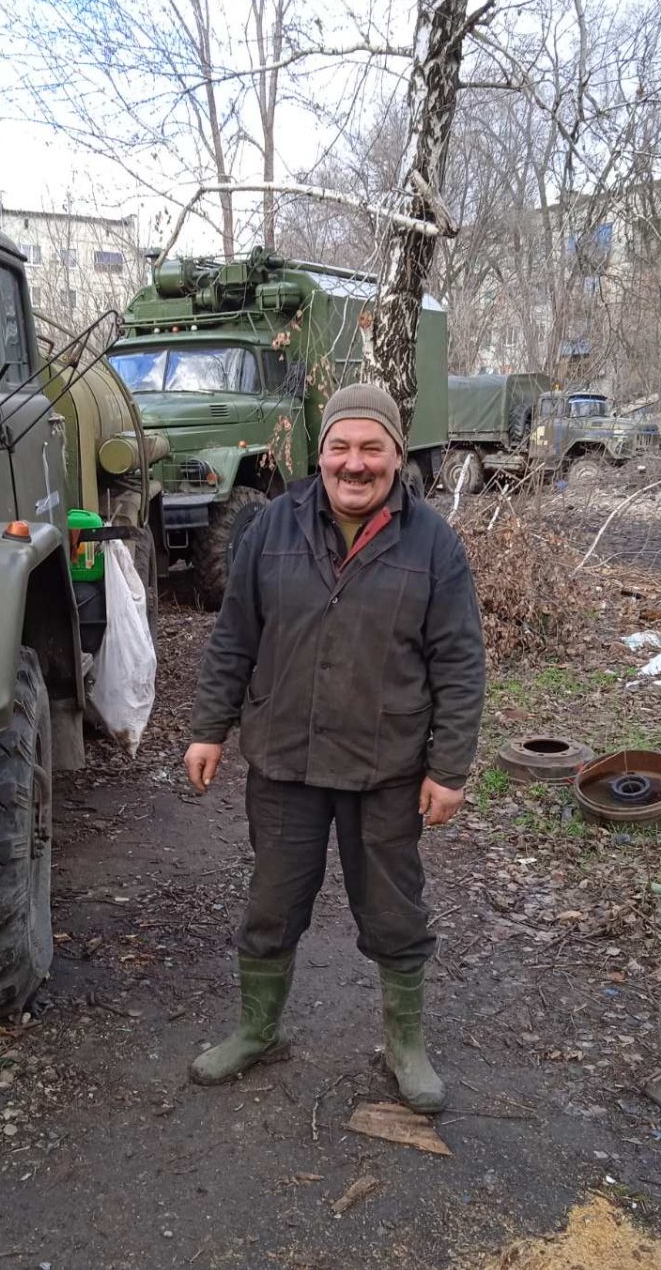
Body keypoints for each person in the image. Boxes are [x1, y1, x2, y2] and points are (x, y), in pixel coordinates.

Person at [184, 383, 485, 1112]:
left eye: (371, 448)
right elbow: (234, 636)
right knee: (271, 904)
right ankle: (258, 1031)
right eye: (340, 447)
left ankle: (404, 1046)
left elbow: (458, 661)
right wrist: (208, 728)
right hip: (285, 759)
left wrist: (449, 768)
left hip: (387, 766)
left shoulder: (432, 543)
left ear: (396, 456)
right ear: (319, 454)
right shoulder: (271, 527)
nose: (355, 463)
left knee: (394, 913)